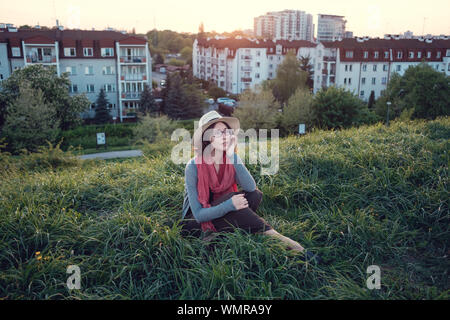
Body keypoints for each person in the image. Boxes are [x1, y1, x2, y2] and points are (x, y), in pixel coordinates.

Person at [180, 111, 320, 263]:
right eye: (219, 132)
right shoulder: (193, 166)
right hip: (194, 222)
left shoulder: (230, 157)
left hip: (221, 208)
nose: (225, 136)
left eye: (227, 131)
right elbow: (199, 214)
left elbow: (250, 187)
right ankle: (291, 244)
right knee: (234, 200)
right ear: (208, 138)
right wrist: (229, 205)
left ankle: (228, 227)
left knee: (255, 195)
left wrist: (232, 155)